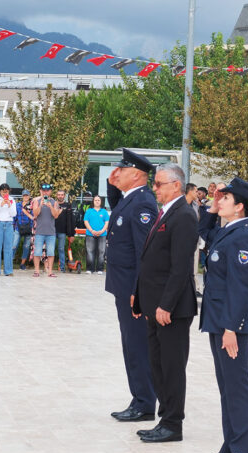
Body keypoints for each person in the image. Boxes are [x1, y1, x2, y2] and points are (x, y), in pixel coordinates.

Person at [197, 177, 248, 453]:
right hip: (217, 318)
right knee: (226, 386)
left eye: (225, 199)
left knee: (237, 385)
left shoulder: (244, 237)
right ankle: (230, 444)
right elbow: (202, 232)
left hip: (230, 323)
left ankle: (243, 451)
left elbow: (240, 287)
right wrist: (211, 208)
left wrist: (231, 329)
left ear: (239, 207)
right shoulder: (228, 231)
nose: (218, 201)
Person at [131, 163, 198, 444]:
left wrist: (166, 305)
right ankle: (165, 417)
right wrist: (139, 295)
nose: (154, 189)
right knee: (157, 364)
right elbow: (150, 261)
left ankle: (173, 424)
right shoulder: (166, 212)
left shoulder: (183, 216)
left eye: (159, 184)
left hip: (171, 309)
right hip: (154, 304)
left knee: (171, 366)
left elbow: (180, 267)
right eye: (155, 184)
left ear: (176, 186)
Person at [107, 149, 159, 423]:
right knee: (131, 344)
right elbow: (115, 203)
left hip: (132, 290)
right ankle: (139, 397)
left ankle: (145, 402)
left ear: (136, 175)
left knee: (137, 344)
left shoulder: (142, 204)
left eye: (122, 169)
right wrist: (111, 182)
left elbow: (144, 253)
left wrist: (138, 292)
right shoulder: (130, 199)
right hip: (122, 285)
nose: (117, 172)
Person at [31, 183, 61, 277]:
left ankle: (50, 272)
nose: (46, 192)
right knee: (37, 252)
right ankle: (37, 271)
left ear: (50, 192)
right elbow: (35, 214)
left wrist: (50, 206)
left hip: (51, 232)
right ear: (41, 191)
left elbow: (56, 215)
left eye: (47, 191)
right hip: (39, 232)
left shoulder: (54, 202)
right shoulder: (37, 201)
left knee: (51, 252)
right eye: (44, 191)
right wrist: (40, 205)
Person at [0, 184, 17, 276]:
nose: (5, 193)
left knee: (8, 248)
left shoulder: (12, 200)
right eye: (3, 191)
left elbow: (14, 214)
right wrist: (0, 205)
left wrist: (9, 205)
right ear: (0, 191)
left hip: (8, 225)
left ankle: (8, 271)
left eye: (7, 191)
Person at [83, 195, 109, 274]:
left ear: (101, 202)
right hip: (90, 234)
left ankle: (100, 269)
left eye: (98, 200)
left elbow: (107, 222)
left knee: (101, 252)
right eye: (95, 200)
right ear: (93, 202)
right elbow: (86, 221)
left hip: (102, 234)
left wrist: (102, 231)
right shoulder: (89, 211)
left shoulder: (104, 212)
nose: (97, 201)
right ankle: (90, 269)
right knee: (90, 251)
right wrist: (91, 230)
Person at [54, 189, 75, 272]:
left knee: (61, 249)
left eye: (62, 195)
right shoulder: (53, 204)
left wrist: (71, 234)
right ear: (56, 195)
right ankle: (48, 267)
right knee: (50, 249)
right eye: (59, 194)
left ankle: (62, 268)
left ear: (64, 196)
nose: (60, 196)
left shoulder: (68, 205)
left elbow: (70, 220)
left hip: (62, 232)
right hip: (52, 231)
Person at [15, 190, 34, 270]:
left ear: (29, 196)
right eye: (24, 195)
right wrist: (13, 226)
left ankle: (22, 264)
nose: (25, 197)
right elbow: (14, 216)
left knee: (26, 247)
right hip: (18, 227)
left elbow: (33, 217)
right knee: (14, 245)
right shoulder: (17, 205)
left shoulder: (32, 205)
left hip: (28, 228)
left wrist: (32, 227)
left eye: (27, 195)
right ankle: (8, 262)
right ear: (22, 196)